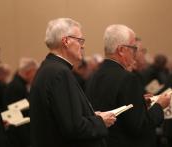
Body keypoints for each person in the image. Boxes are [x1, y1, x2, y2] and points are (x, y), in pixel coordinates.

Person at [30, 18, 116, 147]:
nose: (83, 45)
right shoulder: (60, 73)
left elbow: (62, 116)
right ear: (66, 41)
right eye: (80, 40)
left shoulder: (48, 68)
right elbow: (74, 127)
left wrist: (90, 116)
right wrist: (100, 121)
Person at [86, 24, 171, 147]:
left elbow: (119, 108)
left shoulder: (94, 76)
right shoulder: (127, 79)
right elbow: (139, 126)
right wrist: (159, 106)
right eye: (133, 48)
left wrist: (140, 104)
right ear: (121, 50)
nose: (135, 54)